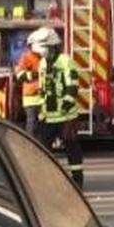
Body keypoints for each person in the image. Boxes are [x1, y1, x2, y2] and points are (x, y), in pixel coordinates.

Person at [33, 27, 84, 187]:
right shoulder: (42, 63)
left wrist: (67, 105)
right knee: (44, 151)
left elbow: (72, 86)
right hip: (48, 116)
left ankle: (77, 180)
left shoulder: (66, 61)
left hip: (66, 116)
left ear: (52, 46)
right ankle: (46, 182)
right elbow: (43, 88)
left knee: (72, 148)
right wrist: (40, 110)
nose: (42, 52)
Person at [15, 29, 48, 141]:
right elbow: (19, 75)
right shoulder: (27, 57)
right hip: (31, 97)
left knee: (44, 124)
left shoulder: (46, 58)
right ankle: (31, 146)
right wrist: (35, 74)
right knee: (32, 123)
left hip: (44, 96)